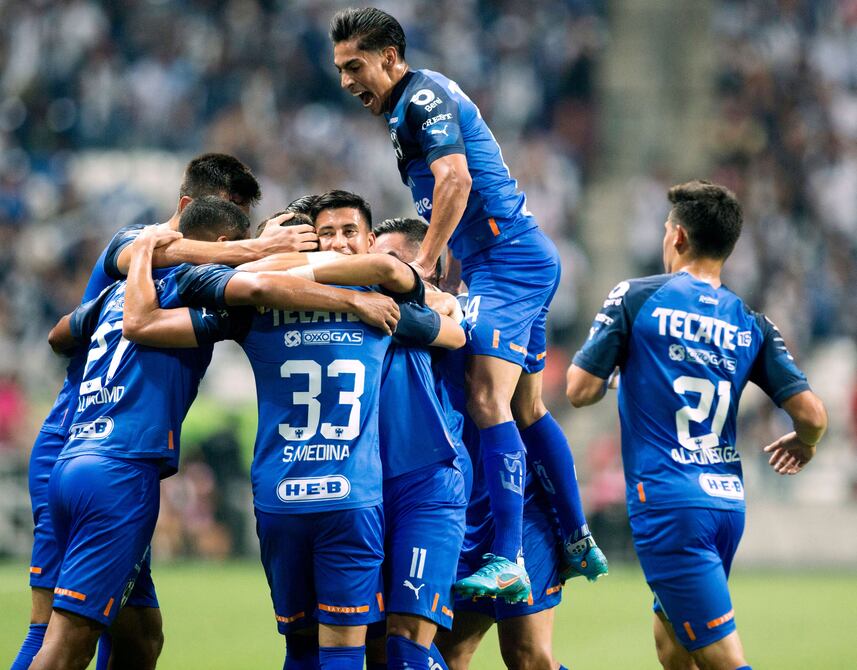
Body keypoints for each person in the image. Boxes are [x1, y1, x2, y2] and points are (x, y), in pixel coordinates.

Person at [32, 196, 401, 670]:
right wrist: (360, 296)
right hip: (350, 495)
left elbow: (80, 331)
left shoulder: (233, 309)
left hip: (267, 495)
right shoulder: (379, 299)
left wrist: (143, 257)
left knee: (139, 637)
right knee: (351, 649)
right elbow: (437, 312)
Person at [330, 7, 606, 602]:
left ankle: (509, 559)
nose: (347, 81)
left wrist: (423, 265)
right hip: (499, 262)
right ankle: (577, 535)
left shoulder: (422, 99)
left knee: (485, 396)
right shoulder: (407, 109)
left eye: (355, 66)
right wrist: (449, 273)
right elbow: (448, 201)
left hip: (509, 262)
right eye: (340, 69)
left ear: (390, 58)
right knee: (527, 405)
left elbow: (454, 180)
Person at [12, 151, 308, 670]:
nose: (233, 240)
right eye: (228, 222)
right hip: (90, 447)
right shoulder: (137, 244)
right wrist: (260, 250)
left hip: (86, 446)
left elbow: (59, 333)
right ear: (188, 207)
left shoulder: (131, 288)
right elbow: (250, 276)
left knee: (140, 637)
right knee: (57, 634)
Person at [566, 180, 828, 670]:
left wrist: (620, 370)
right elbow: (813, 416)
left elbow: (579, 390)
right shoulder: (751, 322)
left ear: (679, 237)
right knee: (673, 647)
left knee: (722, 659)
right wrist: (807, 443)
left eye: (666, 230)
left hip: (669, 504)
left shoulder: (636, 297)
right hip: (726, 504)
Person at [374, 218, 572, 670]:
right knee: (445, 651)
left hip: (511, 510)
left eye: (392, 262)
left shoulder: (479, 321)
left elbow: (533, 411)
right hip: (444, 513)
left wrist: (573, 524)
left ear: (431, 268)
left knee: (528, 657)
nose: (379, 272)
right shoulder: (376, 322)